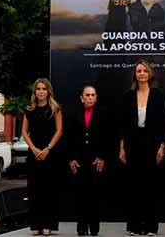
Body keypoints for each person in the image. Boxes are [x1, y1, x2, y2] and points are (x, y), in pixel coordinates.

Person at [119, 60, 165, 236]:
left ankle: (150, 226)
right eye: (138, 71)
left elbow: (163, 123)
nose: (141, 73)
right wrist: (122, 147)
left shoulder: (158, 95)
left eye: (144, 70)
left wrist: (162, 145)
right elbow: (123, 125)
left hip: (152, 143)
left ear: (150, 74)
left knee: (150, 186)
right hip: (132, 144)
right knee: (134, 186)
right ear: (135, 74)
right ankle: (134, 226)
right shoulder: (128, 96)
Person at [67, 83, 112, 237]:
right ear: (81, 98)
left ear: (96, 97)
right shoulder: (73, 113)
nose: (90, 97)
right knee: (80, 195)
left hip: (96, 160)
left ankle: (94, 227)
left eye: (93, 95)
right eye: (87, 95)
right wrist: (71, 158)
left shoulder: (103, 113)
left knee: (94, 195)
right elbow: (68, 137)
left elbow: (108, 137)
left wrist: (102, 157)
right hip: (79, 160)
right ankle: (81, 226)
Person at [22, 78, 63, 236]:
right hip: (34, 154)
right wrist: (33, 148)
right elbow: (24, 132)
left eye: (44, 89)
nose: (41, 91)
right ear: (35, 91)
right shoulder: (29, 109)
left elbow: (59, 131)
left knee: (49, 190)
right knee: (35, 190)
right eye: (38, 89)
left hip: (50, 154)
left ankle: (48, 225)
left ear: (48, 91)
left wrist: (47, 148)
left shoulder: (55, 109)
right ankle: (36, 225)